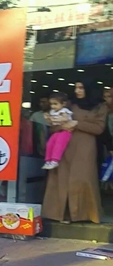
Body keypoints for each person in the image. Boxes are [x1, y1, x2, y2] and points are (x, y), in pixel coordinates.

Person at [43, 80, 107, 224]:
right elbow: (54, 127)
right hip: (64, 145)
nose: (77, 91)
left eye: (81, 87)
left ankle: (83, 214)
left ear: (89, 89)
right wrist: (58, 123)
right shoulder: (70, 104)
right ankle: (61, 214)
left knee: (82, 178)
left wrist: (77, 123)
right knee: (62, 179)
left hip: (85, 147)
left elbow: (99, 129)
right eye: (76, 87)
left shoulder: (100, 107)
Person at [42, 92, 77, 170]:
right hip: (57, 131)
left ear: (63, 104)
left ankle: (55, 160)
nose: (53, 106)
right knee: (49, 144)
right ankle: (48, 160)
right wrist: (48, 118)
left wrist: (56, 118)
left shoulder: (64, 111)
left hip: (65, 132)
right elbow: (51, 123)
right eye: (51, 104)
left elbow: (65, 118)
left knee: (59, 144)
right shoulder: (52, 112)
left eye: (55, 104)